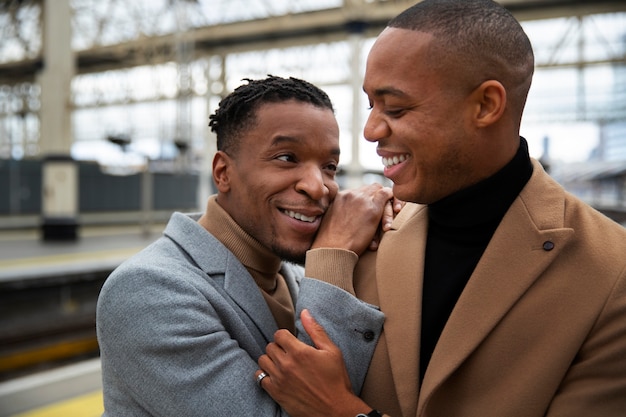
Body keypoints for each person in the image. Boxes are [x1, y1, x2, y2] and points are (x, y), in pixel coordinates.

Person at [256, 1, 626, 416]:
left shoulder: (613, 272)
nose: (372, 129)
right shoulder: (363, 236)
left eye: (395, 108)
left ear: (486, 105)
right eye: (371, 105)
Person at [96, 75, 394, 417]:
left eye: (329, 167)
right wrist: (333, 255)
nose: (319, 187)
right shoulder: (146, 291)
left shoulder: (290, 276)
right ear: (223, 173)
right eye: (286, 157)